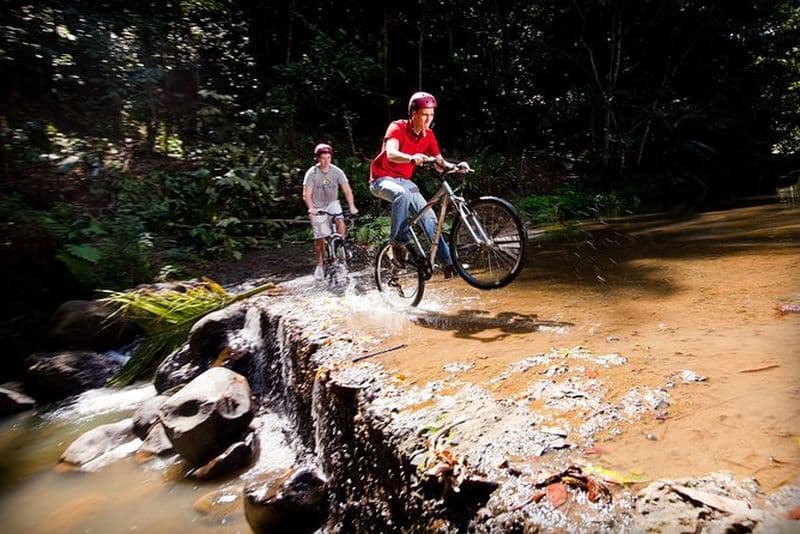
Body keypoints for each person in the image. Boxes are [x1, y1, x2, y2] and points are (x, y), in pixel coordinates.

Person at [368, 91, 468, 278]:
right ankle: (397, 245)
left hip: (405, 182)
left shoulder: (428, 135)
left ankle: (449, 264)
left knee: (429, 218)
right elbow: (391, 153)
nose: (428, 119)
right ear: (413, 113)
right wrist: (412, 158)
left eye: (431, 115)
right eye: (424, 114)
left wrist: (456, 167)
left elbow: (440, 164)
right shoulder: (397, 127)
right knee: (402, 195)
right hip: (381, 180)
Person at [303, 143, 358, 280]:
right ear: (317, 159)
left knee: (340, 219)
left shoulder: (337, 171)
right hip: (317, 205)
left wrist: (352, 206)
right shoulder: (311, 173)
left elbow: (347, 190)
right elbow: (306, 194)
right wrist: (311, 208)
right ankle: (320, 265)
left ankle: (341, 246)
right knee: (320, 237)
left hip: (332, 202)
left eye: (328, 157)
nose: (326, 161)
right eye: (323, 158)